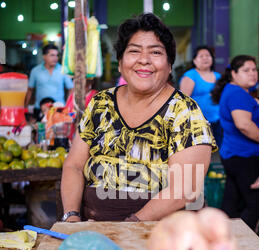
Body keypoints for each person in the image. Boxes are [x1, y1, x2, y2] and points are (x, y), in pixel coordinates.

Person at [61, 13, 216, 223]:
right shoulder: (101, 103)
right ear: (120, 63)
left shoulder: (185, 111)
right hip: (93, 228)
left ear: (169, 65)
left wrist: (130, 225)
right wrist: (71, 216)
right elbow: (74, 165)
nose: (144, 60)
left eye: (155, 52)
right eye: (134, 51)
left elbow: (186, 188)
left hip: (164, 233)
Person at [211, 55, 259, 231]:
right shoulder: (237, 93)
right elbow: (244, 125)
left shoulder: (237, 91)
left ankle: (222, 242)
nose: (252, 74)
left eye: (254, 70)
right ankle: (240, 245)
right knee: (256, 204)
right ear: (234, 74)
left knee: (232, 204)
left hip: (235, 155)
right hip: (245, 157)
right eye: (246, 70)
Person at [179, 46, 222, 147]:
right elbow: (183, 101)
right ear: (194, 60)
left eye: (208, 55)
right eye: (201, 56)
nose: (205, 58)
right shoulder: (190, 76)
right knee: (202, 149)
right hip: (198, 121)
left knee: (219, 149)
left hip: (218, 120)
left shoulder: (218, 76)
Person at [25, 44, 74, 120]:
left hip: (59, 110)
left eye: (57, 55)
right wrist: (25, 107)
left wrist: (68, 106)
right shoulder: (35, 71)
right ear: (44, 56)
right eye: (52, 55)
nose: (55, 58)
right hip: (39, 109)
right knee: (40, 130)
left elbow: (71, 89)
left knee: (59, 131)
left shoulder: (63, 70)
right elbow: (30, 90)